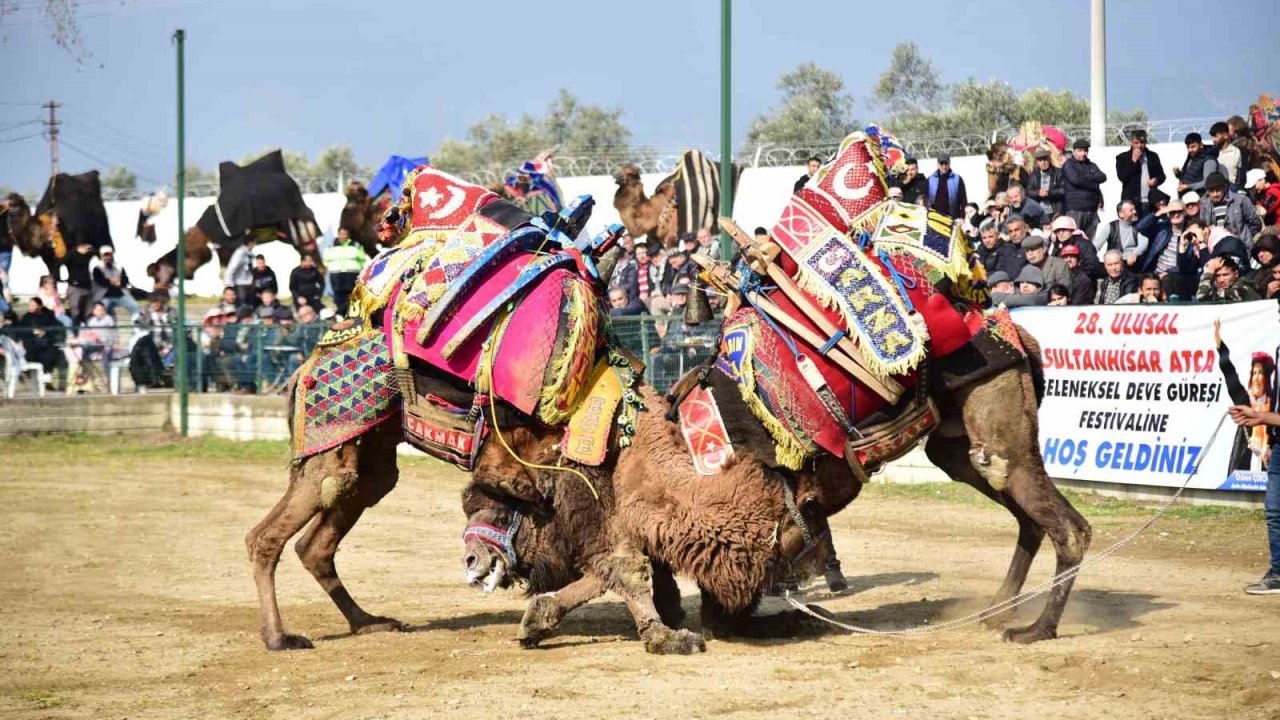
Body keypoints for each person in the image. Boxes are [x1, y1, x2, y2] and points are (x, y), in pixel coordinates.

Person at [1136, 199, 1193, 298]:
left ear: (1185, 212)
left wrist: (1167, 273)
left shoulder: (1190, 234)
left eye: (1179, 211)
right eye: (1172, 212)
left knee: (1167, 282)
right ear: (1168, 214)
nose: (1176, 215)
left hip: (1174, 277)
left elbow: (1186, 265)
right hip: (1154, 273)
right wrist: (1158, 213)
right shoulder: (1162, 229)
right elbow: (1140, 227)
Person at [11, 297, 67, 382]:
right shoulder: (26, 317)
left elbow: (57, 327)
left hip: (48, 342)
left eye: (33, 305)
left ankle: (47, 374)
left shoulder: (49, 315)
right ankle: (36, 374)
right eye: (29, 305)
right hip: (32, 345)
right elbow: (20, 330)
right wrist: (32, 331)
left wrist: (45, 331)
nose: (30, 307)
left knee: (51, 350)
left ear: (40, 306)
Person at [1115, 129, 1166, 218]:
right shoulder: (1122, 157)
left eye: (1142, 142)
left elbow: (1162, 176)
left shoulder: (1152, 156)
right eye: (1136, 143)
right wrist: (1133, 161)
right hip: (1131, 203)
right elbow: (1122, 177)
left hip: (1150, 201)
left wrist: (1156, 180)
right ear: (1131, 142)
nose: (1139, 145)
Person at [1062, 139, 1107, 239]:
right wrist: (1094, 183)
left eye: (1085, 150)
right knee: (1073, 239)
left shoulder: (1091, 165)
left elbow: (1102, 177)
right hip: (1075, 209)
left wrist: (1085, 177)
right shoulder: (1069, 165)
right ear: (1074, 151)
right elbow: (1075, 180)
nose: (1083, 153)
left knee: (1088, 241)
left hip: (1091, 210)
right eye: (1080, 150)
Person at [322, 227, 369, 318]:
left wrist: (356, 267)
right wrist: (334, 266)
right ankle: (341, 314)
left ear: (349, 235)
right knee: (338, 294)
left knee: (353, 293)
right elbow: (326, 261)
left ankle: (353, 314)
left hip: (352, 273)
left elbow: (362, 259)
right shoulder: (330, 246)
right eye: (342, 234)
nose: (344, 236)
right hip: (336, 273)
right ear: (338, 234)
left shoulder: (356, 245)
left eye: (345, 234)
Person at [1200, 173, 1261, 242]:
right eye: (1212, 191)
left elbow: (1255, 223)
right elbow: (1202, 227)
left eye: (1218, 190)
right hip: (1215, 245)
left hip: (1240, 244)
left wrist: (1246, 238)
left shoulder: (1240, 201)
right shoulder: (1204, 205)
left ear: (1224, 188)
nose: (1215, 194)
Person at [91, 246, 141, 322]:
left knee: (135, 307)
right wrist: (114, 282)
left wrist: (120, 282)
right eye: (105, 255)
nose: (107, 257)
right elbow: (101, 282)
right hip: (105, 297)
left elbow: (125, 280)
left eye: (109, 255)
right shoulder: (97, 268)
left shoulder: (119, 267)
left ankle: (137, 326)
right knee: (100, 311)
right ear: (101, 256)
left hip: (120, 295)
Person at [1048, 215, 1104, 281]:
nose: (1060, 233)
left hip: (1082, 282)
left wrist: (1075, 278)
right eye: (1057, 231)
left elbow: (1092, 265)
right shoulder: (1057, 246)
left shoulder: (1084, 244)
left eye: (1064, 230)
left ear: (1071, 230)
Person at [1093, 200, 1147, 267]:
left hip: (1130, 263)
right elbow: (1097, 245)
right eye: (1131, 210)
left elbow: (1144, 243)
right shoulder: (1111, 227)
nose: (1135, 212)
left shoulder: (1138, 227)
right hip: (1114, 262)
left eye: (1134, 209)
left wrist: (1134, 253)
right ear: (1121, 214)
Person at [926, 153, 968, 219]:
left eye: (946, 164)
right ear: (937, 164)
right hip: (935, 217)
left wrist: (963, 217)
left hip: (953, 217)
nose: (944, 167)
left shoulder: (957, 179)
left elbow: (963, 201)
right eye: (941, 164)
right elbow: (926, 199)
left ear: (949, 163)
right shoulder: (930, 179)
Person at [63, 241, 96, 326]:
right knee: (75, 311)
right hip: (75, 287)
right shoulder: (72, 256)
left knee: (88, 311)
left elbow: (95, 251)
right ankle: (75, 332)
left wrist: (90, 249)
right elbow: (63, 261)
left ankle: (88, 331)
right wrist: (76, 251)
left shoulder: (88, 256)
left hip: (87, 287)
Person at [1025, 148, 1064, 217]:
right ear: (1037, 162)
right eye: (1040, 160)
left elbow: (1063, 190)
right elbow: (1028, 192)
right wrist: (1038, 193)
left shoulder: (1059, 173)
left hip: (1055, 210)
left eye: (1045, 160)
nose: (1043, 162)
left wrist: (1049, 192)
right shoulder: (1033, 175)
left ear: (1049, 160)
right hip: (1039, 210)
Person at [226, 236, 257, 309]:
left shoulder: (249, 253)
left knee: (249, 306)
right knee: (242, 306)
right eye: (254, 243)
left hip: (248, 283)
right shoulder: (240, 252)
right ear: (250, 243)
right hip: (240, 284)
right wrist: (229, 285)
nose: (254, 245)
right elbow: (232, 268)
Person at [1210, 121, 1243, 189]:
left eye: (1215, 136)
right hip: (1215, 188)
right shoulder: (1212, 152)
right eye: (1212, 137)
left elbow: (1240, 173)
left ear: (1226, 135)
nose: (1213, 140)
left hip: (1232, 188)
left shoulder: (1236, 152)